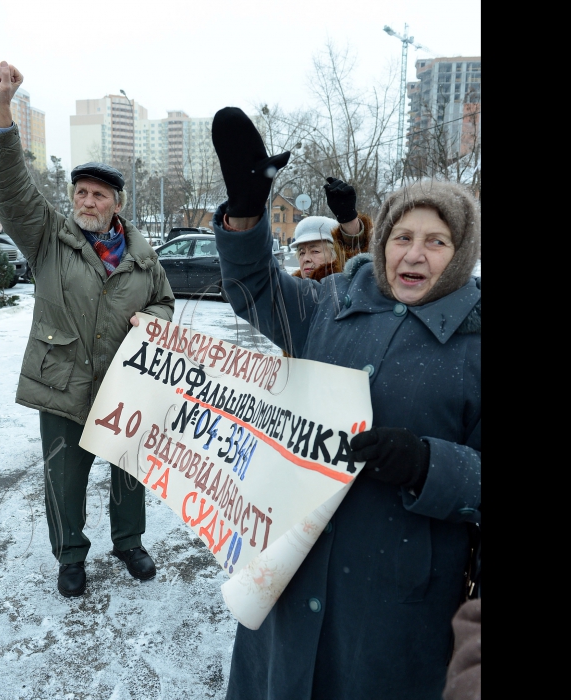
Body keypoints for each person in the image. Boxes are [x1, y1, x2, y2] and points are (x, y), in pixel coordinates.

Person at [210, 107, 481, 700]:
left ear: (459, 254)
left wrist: (428, 464)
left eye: (437, 242)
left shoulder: (476, 346)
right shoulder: (328, 303)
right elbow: (255, 286)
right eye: (403, 237)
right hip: (293, 568)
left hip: (395, 601)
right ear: (382, 243)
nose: (415, 255)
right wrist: (247, 214)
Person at [0, 61, 175, 598]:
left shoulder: (143, 256)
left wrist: (154, 319)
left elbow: (165, 301)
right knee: (64, 481)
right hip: (63, 382)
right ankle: (70, 555)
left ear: (117, 205)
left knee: (129, 472)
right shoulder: (48, 238)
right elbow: (11, 190)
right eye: (81, 193)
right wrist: (1, 111)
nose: (88, 202)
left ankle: (129, 541)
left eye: (99, 195)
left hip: (124, 387)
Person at [291, 182, 372, 281]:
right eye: (301, 253)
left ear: (335, 254)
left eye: (315, 251)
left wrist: (348, 218)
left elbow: (355, 251)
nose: (306, 259)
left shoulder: (346, 285)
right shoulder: (292, 289)